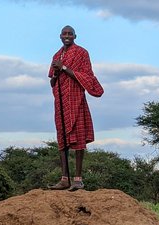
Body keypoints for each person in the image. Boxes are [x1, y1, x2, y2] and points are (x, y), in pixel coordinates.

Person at [47, 25, 104, 191]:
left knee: (78, 138)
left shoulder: (81, 53)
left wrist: (64, 68)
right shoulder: (56, 56)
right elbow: (52, 82)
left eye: (70, 34)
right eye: (64, 34)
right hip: (61, 102)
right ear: (60, 36)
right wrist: (57, 72)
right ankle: (65, 179)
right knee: (62, 139)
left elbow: (87, 77)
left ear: (75, 36)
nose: (67, 36)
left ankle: (78, 180)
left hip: (76, 99)